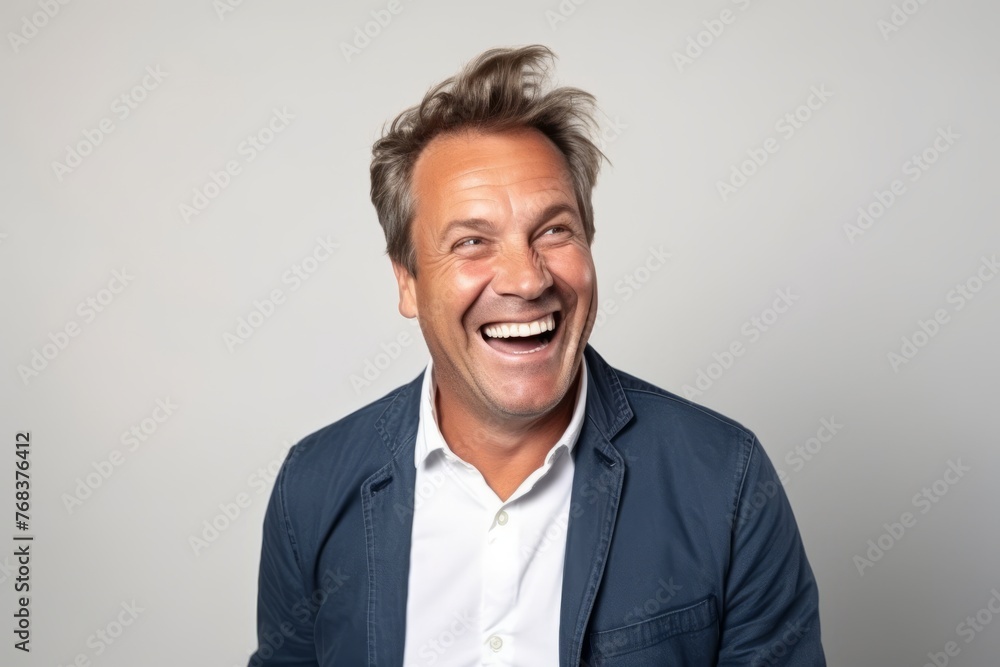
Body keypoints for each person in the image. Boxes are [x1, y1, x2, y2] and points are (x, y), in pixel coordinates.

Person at [250, 45, 826, 667]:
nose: (527, 281)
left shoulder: (725, 479)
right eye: (472, 241)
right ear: (408, 282)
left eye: (554, 231)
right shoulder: (312, 486)